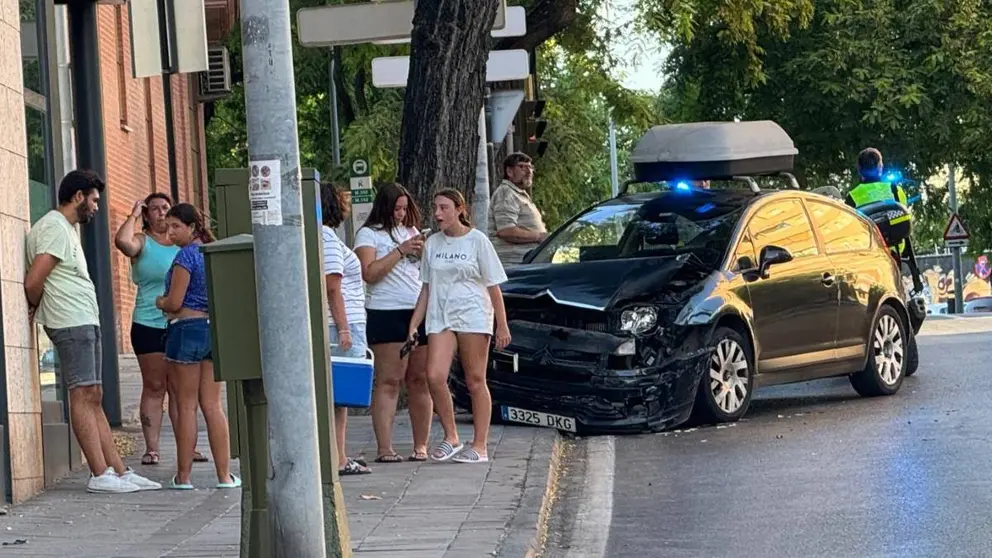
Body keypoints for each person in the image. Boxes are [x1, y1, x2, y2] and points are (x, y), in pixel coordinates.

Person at [24, 170, 161, 493]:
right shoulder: (55, 228)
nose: (97, 207)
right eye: (94, 200)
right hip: (69, 320)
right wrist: (35, 304)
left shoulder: (66, 229)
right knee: (83, 395)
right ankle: (99, 474)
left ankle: (119, 470)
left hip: (83, 319)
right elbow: (33, 280)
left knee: (94, 396)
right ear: (77, 197)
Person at [409, 189, 510, 464]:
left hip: (473, 316)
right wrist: (413, 324)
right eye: (435, 207)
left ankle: (479, 445)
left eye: (443, 208)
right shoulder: (433, 244)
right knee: (434, 375)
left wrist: (502, 325)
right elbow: (427, 288)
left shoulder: (477, 241)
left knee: (475, 379)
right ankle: (451, 436)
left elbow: (494, 286)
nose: (438, 214)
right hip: (440, 316)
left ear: (458, 209)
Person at [113, 193, 207, 466]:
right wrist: (132, 215)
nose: (161, 214)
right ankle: (152, 448)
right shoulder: (143, 242)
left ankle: (188, 447)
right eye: (154, 209)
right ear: (146, 214)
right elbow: (122, 242)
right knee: (155, 386)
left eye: (166, 208)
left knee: (181, 389)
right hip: (148, 322)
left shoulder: (185, 245)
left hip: (182, 323)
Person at [155, 203, 238, 490]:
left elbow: (175, 302)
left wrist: (160, 302)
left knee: (186, 406)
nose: (171, 232)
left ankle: (184, 476)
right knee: (213, 405)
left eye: (176, 226)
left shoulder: (185, 257)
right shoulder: (210, 252)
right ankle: (224, 476)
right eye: (168, 226)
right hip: (211, 330)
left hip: (185, 329)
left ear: (192, 227)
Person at [353, 184, 433, 463]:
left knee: (419, 378)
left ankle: (420, 445)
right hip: (386, 310)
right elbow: (370, 273)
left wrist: (420, 251)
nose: (401, 214)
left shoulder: (410, 231)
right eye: (396, 208)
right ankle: (385, 447)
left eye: (404, 208)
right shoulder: (369, 234)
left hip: (417, 310)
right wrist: (399, 251)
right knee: (390, 380)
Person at [321, 183, 372, 475]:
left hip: (343, 320)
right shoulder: (328, 238)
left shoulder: (326, 237)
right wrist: (343, 329)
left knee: (338, 396)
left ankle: (340, 453)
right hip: (343, 321)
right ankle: (338, 458)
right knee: (340, 395)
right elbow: (333, 286)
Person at [845, 147, 923, 293]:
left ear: (859, 169)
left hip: (868, 252)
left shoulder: (852, 196)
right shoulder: (895, 190)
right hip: (895, 249)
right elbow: (904, 218)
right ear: (880, 166)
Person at [488, 152, 547, 267]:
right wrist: (539, 236)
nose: (529, 171)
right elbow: (506, 231)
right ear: (509, 171)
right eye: (522, 167)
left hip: (523, 264)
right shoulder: (506, 193)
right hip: (513, 267)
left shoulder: (518, 194)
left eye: (530, 167)